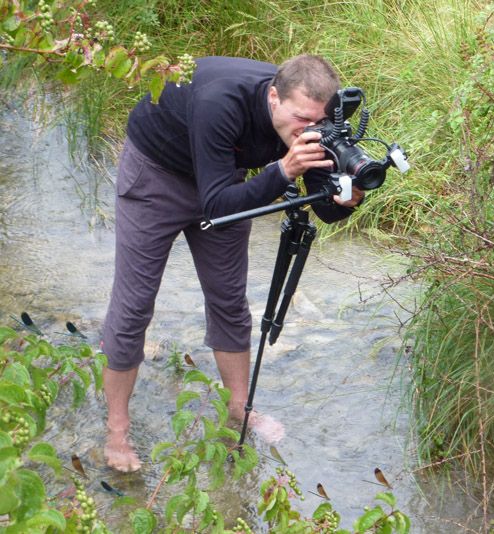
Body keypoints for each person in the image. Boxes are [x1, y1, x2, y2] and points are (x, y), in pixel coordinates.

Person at [101, 55, 364, 472]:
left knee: (228, 299)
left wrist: (346, 198)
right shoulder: (220, 101)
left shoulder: (310, 119)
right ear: (274, 97)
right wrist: (282, 169)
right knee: (135, 304)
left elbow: (324, 205)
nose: (308, 130)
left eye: (317, 122)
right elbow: (217, 205)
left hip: (224, 179)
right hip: (157, 173)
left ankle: (238, 408)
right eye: (300, 120)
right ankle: (117, 428)